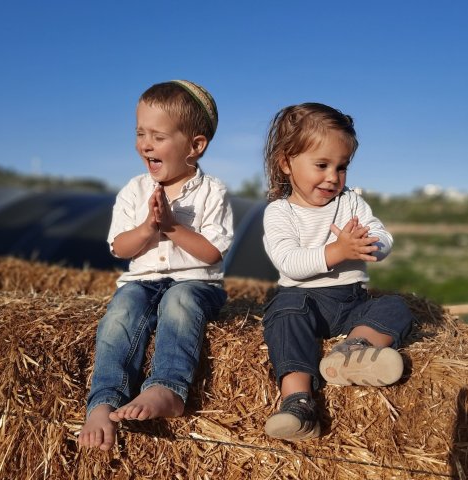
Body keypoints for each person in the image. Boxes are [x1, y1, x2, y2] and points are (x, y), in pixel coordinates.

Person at [78, 80, 233, 450]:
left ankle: (168, 388)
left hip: (196, 285)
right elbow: (120, 247)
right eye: (140, 133)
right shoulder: (134, 191)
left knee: (178, 302)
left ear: (195, 146)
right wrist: (148, 227)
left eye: (158, 136)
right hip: (142, 282)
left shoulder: (213, 192)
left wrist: (172, 226)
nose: (145, 144)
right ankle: (103, 401)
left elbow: (212, 252)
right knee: (121, 312)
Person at [260, 102, 416, 441]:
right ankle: (298, 403)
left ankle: (354, 350)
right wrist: (339, 251)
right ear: (286, 163)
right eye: (322, 165)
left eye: (341, 166)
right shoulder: (280, 212)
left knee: (395, 306)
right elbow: (289, 261)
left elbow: (382, 235)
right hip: (303, 302)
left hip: (351, 302)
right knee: (284, 315)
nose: (333, 176)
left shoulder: (351, 203)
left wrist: (370, 245)